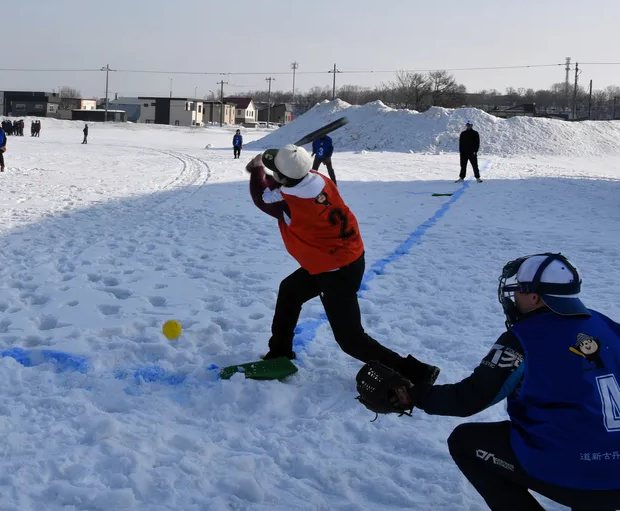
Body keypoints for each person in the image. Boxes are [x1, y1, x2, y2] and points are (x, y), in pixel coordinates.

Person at [366, 253, 620, 511]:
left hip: (578, 474)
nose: (514, 297)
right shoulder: (609, 326)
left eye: (520, 290)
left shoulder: (523, 338)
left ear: (534, 297)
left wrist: (415, 395)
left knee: (465, 443)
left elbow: (471, 397)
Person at [246, 144, 440, 383]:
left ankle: (415, 372)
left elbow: (262, 197)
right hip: (339, 257)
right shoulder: (317, 178)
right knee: (290, 291)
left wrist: (257, 171)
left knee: (351, 340)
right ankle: (280, 352)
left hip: (336, 270)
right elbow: (282, 186)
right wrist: (270, 175)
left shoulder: (292, 205)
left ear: (284, 178)